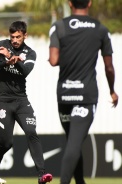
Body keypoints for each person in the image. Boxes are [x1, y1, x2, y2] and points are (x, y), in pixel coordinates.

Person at [0, 21, 53, 184]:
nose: (14, 40)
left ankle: (42, 174)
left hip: (21, 100)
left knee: (31, 131)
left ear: (25, 36)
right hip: (1, 100)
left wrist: (13, 58)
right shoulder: (1, 45)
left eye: (18, 37)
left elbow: (25, 71)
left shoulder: (30, 53)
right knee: (6, 143)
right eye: (12, 37)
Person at [48, 0, 119, 184]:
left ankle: (80, 182)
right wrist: (112, 90)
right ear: (90, 3)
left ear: (70, 3)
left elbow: (54, 60)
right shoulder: (100, 29)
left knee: (73, 141)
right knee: (74, 143)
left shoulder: (59, 27)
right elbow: (109, 67)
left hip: (64, 94)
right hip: (85, 96)